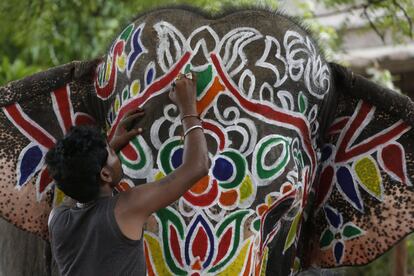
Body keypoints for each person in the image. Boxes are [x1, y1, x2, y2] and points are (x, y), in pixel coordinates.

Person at [46, 72, 209, 276]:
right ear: (104, 175)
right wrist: (187, 107)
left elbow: (73, 180)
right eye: (113, 154)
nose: (116, 155)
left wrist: (107, 151)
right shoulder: (127, 207)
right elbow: (197, 165)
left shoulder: (57, 220)